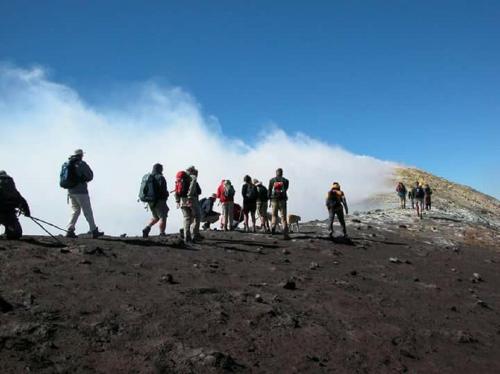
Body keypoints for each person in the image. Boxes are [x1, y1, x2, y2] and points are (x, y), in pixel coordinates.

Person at [62, 149, 103, 239]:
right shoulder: (82, 164)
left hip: (70, 191)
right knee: (87, 211)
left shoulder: (66, 163)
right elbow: (90, 175)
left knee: (75, 211)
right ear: (80, 155)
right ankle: (94, 230)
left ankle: (70, 229)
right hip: (81, 192)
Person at [0, 171, 30, 240]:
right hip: (10, 214)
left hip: (4, 213)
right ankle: (9, 232)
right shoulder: (13, 190)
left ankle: (8, 232)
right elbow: (23, 201)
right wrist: (27, 212)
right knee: (16, 234)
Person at [141, 163, 169, 238]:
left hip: (150, 201)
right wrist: (166, 195)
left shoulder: (149, 177)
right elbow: (163, 190)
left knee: (156, 217)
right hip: (160, 200)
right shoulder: (160, 177)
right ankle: (162, 233)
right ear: (160, 169)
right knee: (163, 217)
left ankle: (147, 227)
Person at [175, 165, 202, 243]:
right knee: (197, 216)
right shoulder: (192, 177)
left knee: (186, 217)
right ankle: (195, 235)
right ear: (192, 171)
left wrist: (177, 201)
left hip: (182, 200)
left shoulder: (180, 178)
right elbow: (193, 187)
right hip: (191, 199)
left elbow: (176, 190)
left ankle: (187, 237)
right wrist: (190, 197)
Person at [268, 168, 289, 238]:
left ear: (276, 173)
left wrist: (269, 199)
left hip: (274, 200)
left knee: (274, 216)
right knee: (283, 217)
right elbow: (286, 189)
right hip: (282, 200)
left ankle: (272, 231)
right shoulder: (286, 181)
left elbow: (269, 190)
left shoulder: (271, 180)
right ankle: (285, 234)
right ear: (282, 173)